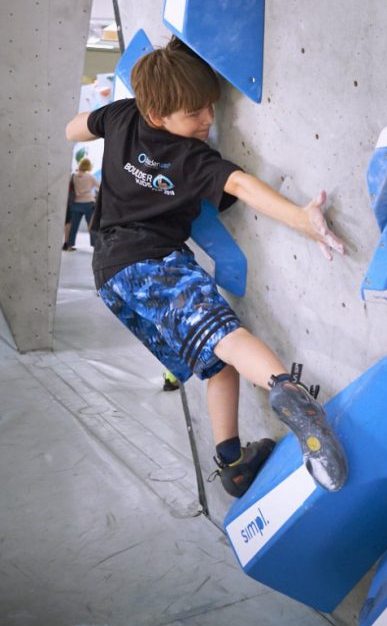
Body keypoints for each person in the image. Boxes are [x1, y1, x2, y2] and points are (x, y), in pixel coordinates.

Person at [65, 38, 348, 498]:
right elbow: (241, 183)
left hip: (111, 277)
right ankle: (290, 394)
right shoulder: (191, 158)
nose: (208, 120)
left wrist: (118, 115)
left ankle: (233, 463)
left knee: (216, 366)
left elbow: (73, 129)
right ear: (159, 116)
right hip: (155, 264)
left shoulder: (120, 116)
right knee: (225, 336)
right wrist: (301, 217)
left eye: (210, 108)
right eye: (195, 113)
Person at [64, 157, 99, 251]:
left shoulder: (74, 176)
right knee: (91, 226)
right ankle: (95, 246)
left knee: (73, 226)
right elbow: (99, 187)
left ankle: (70, 246)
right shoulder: (90, 176)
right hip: (88, 203)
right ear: (89, 166)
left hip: (75, 204)